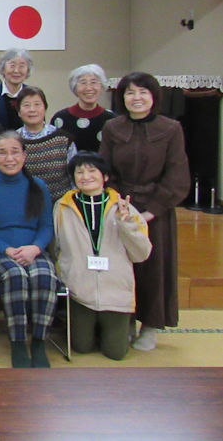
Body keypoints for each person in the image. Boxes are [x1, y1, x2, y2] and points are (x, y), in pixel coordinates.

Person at [99, 72, 189, 351]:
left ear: (154, 97)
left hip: (156, 211)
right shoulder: (113, 128)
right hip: (120, 208)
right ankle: (123, 319)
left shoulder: (171, 128)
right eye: (130, 93)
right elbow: (104, 169)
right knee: (122, 268)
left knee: (154, 267)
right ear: (121, 97)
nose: (136, 98)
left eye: (143, 92)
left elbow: (177, 175)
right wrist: (118, 204)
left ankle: (150, 325)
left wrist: (150, 211)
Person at [54, 152, 152, 360]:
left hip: (116, 289)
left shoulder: (123, 207)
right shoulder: (63, 207)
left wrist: (126, 224)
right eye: (79, 172)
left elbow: (141, 253)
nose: (85, 176)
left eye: (92, 171)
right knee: (81, 347)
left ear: (105, 177)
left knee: (115, 353)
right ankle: (85, 325)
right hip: (80, 289)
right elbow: (56, 246)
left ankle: (119, 326)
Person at [0, 131, 57, 368]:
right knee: (15, 275)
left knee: (44, 276)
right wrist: (7, 249)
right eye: (3, 152)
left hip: (32, 249)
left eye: (15, 152)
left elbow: (46, 226)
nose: (9, 158)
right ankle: (18, 343)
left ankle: (38, 342)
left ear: (24, 155)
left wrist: (35, 248)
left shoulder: (37, 186)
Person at [16, 86, 76, 201]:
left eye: (37, 104)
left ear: (45, 108)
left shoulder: (63, 138)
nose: (32, 109)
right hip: (24, 205)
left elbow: (74, 177)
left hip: (61, 205)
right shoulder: (13, 141)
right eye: (26, 105)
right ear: (19, 112)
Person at [50, 64, 115, 152]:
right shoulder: (60, 118)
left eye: (93, 82)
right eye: (83, 83)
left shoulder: (112, 119)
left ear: (101, 87)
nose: (88, 88)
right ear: (74, 87)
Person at [0, 48, 32, 130]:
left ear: (27, 70)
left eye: (22, 66)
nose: (16, 71)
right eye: (12, 66)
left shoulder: (32, 95)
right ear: (3, 69)